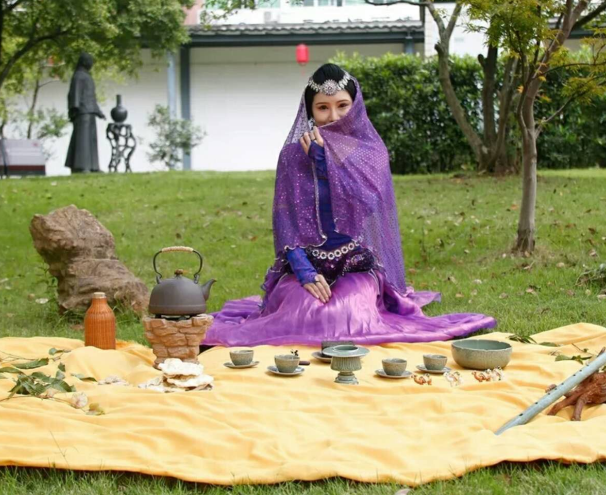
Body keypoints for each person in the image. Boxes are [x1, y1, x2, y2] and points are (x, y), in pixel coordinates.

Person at [202, 64, 495, 347]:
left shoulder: (370, 152)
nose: (333, 116)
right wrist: (305, 272)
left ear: (355, 106)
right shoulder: (292, 156)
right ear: (310, 111)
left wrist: (323, 163)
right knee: (299, 312)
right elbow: (286, 223)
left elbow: (362, 208)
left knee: (347, 314)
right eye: (323, 107)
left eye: (342, 105)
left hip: (354, 265)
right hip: (306, 265)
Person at [65, 52, 104, 173]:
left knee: (91, 140)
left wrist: (98, 111)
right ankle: (82, 166)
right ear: (84, 62)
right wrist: (74, 108)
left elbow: (92, 97)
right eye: (89, 61)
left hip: (90, 111)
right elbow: (75, 93)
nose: (91, 63)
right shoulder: (78, 76)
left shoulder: (86, 76)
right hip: (82, 111)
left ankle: (93, 166)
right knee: (83, 140)